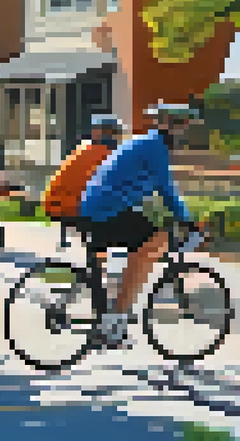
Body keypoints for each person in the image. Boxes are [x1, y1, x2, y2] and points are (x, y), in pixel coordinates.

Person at [78, 102, 206, 350]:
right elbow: (166, 189)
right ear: (171, 126)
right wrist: (189, 222)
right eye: (182, 124)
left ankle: (115, 317)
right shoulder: (155, 146)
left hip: (102, 208)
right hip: (105, 210)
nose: (184, 131)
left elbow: (149, 190)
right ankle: (115, 320)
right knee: (154, 243)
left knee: (146, 245)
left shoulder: (147, 142)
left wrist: (174, 215)